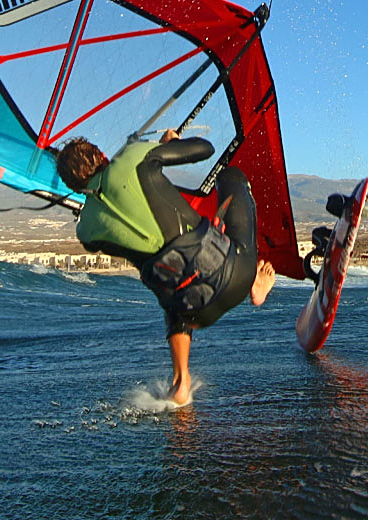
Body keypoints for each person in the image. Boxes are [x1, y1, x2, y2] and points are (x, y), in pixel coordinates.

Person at [55, 129, 276, 406]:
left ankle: (181, 382)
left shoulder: (85, 230)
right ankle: (256, 281)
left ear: (72, 186)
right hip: (235, 279)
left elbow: (96, 227)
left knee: (171, 281)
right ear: (101, 155)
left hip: (195, 312)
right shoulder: (130, 160)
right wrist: (169, 144)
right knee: (231, 177)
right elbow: (204, 148)